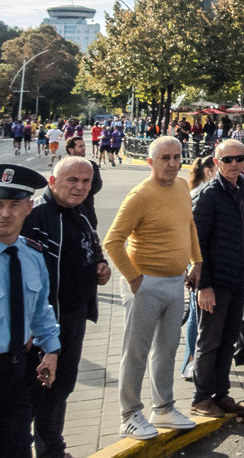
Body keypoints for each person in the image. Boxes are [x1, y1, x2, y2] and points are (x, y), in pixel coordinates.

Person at [102, 136, 202, 440]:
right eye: (165, 158)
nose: (173, 163)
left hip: (175, 282)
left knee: (167, 350)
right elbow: (112, 240)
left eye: (177, 157)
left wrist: (196, 261)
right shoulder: (140, 196)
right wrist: (134, 280)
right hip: (144, 284)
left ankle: (164, 407)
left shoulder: (183, 186)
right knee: (136, 352)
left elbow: (189, 225)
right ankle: (129, 414)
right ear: (151, 162)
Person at [22, 158, 109, 458]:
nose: (80, 187)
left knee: (62, 386)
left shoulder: (79, 212)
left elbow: (92, 248)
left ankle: (52, 447)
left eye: (86, 182)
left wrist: (102, 266)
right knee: (37, 392)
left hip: (74, 317)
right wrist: (35, 329)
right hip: (45, 324)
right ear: (52, 181)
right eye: (72, 180)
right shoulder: (35, 216)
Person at [189, 139, 244, 419]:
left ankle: (221, 394)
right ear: (215, 163)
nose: (234, 164)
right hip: (214, 283)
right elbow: (197, 245)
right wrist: (204, 286)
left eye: (239, 158)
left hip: (238, 280)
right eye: (227, 159)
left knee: (229, 340)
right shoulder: (208, 195)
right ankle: (201, 398)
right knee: (209, 342)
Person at [0, 164, 61, 455]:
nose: (4, 214)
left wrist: (51, 350)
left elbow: (40, 309)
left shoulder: (32, 255)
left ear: (29, 207)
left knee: (18, 447)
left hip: (15, 371)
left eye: (14, 205)